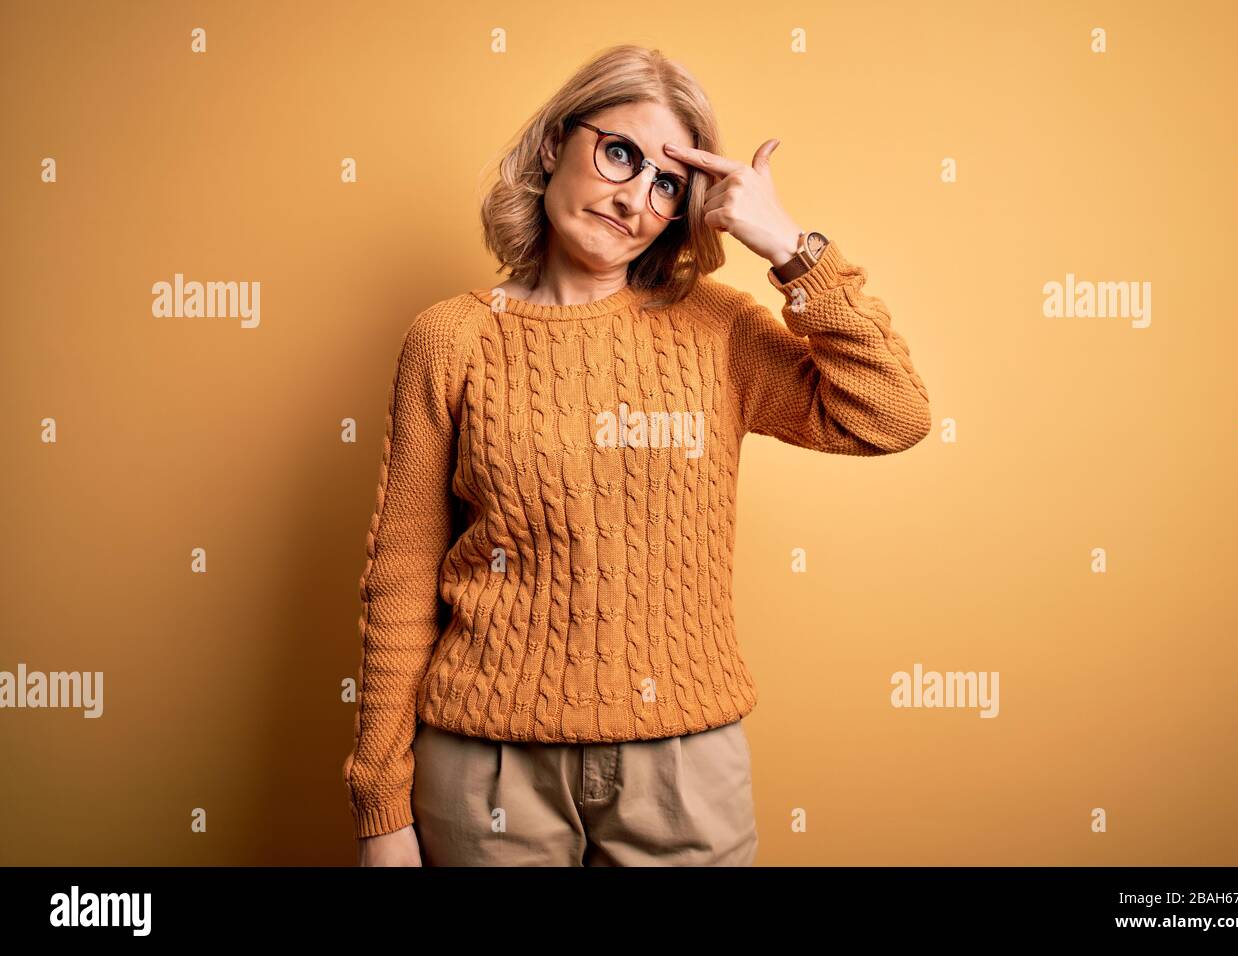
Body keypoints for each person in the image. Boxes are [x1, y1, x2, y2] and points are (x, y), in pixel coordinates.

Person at [343, 43, 932, 866]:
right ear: (555, 145)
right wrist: (381, 809)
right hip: (489, 770)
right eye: (620, 152)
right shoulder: (451, 339)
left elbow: (893, 415)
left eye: (668, 184)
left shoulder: (717, 329)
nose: (634, 198)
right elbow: (402, 575)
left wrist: (791, 247)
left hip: (685, 767)